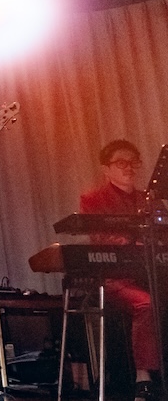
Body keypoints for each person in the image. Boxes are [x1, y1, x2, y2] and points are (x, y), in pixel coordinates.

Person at [79, 139, 158, 401]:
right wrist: (134, 242)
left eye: (133, 162)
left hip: (150, 273)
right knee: (145, 304)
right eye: (121, 163)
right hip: (115, 278)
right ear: (106, 169)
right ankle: (143, 378)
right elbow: (100, 239)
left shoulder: (149, 200)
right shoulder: (93, 199)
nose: (129, 168)